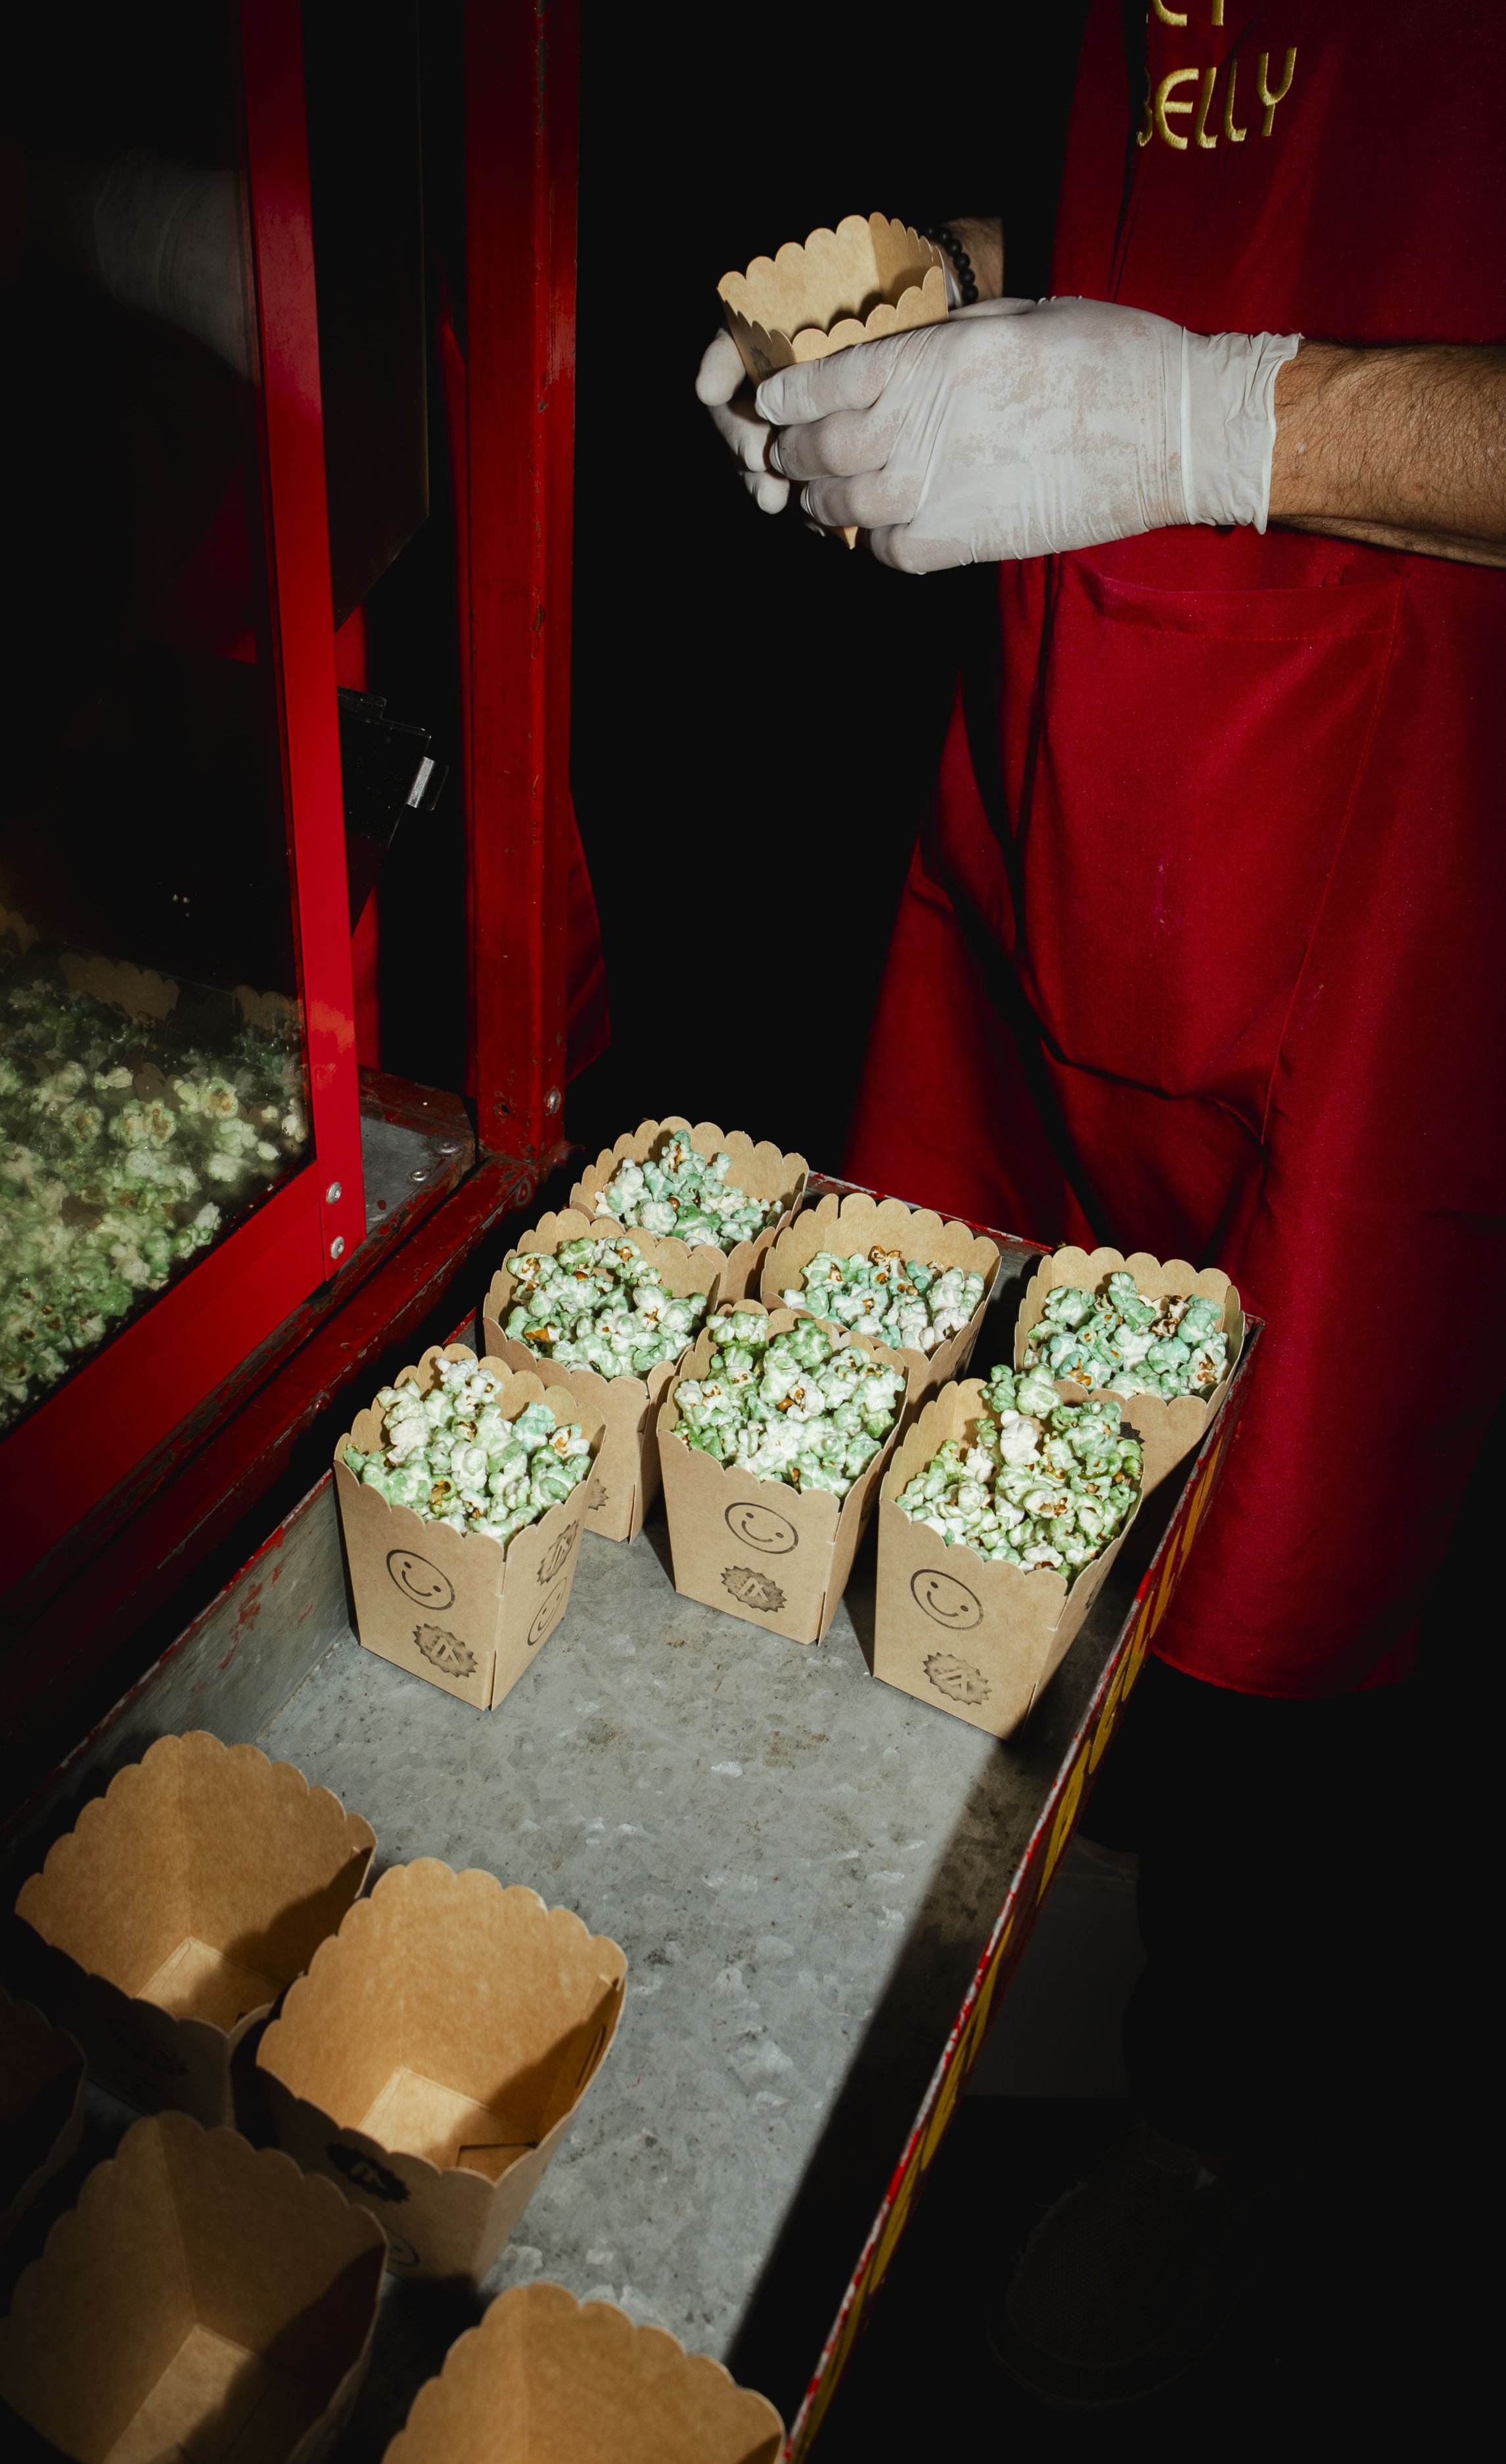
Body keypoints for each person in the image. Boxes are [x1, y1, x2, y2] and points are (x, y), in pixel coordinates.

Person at [697, 0, 1505, 2407]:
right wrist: (947, 305)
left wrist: (1205, 419)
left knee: (1329, 1635)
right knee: (971, 1440)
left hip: (1410, 886)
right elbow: (1221, 175)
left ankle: (1235, 2145)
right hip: (1075, 788)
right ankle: (1012, 1975)